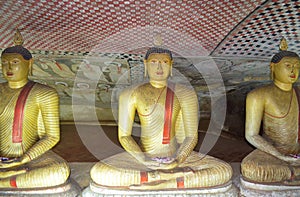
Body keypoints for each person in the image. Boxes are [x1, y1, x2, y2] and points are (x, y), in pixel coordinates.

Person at [90, 46, 232, 190]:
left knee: (223, 170)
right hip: (143, 157)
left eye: (164, 62)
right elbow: (124, 136)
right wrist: (143, 159)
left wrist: (177, 160)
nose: (159, 67)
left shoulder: (185, 93)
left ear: (171, 66)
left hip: (177, 157)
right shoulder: (130, 94)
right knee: (100, 172)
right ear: (145, 64)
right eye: (153, 62)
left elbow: (191, 137)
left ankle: (162, 181)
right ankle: (165, 178)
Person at [0, 30, 70, 188]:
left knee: (59, 172)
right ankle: (10, 179)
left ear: (29, 64)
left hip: (30, 157)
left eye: (15, 62)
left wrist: (23, 158)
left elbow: (51, 136)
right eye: (4, 63)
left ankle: (4, 182)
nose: (8, 67)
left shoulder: (44, 93)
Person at [241, 38, 300, 184]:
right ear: (273, 67)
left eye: (297, 66)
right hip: (271, 152)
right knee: (252, 169)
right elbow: (251, 135)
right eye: (287, 65)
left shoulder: (298, 93)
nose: (293, 70)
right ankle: (294, 173)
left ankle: (292, 173)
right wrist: (279, 155)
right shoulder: (258, 95)